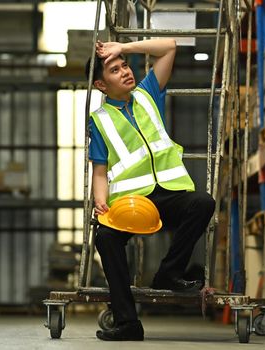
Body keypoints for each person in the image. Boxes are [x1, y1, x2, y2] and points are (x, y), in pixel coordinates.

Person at [86, 38, 216, 341]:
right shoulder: (100, 121)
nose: (125, 72)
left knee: (203, 203)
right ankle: (128, 323)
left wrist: (123, 47)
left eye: (124, 66)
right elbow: (100, 171)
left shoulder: (147, 95)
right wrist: (101, 202)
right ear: (101, 85)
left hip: (168, 194)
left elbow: (168, 47)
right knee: (105, 237)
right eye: (115, 70)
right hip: (130, 204)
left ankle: (168, 274)